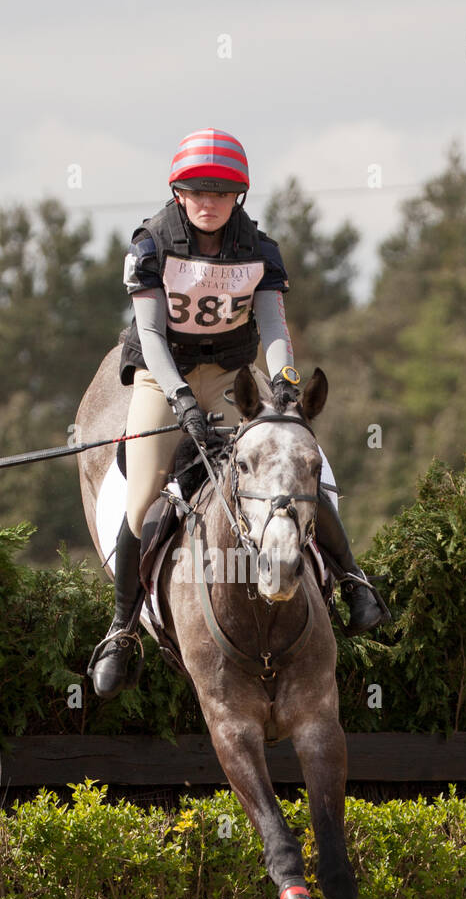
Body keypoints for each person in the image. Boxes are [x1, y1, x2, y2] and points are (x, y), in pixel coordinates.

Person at [89, 127, 390, 699]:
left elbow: (273, 326)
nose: (209, 203)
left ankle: (353, 580)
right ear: (179, 193)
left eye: (222, 194)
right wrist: (179, 399)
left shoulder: (260, 251)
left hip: (233, 375)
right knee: (146, 489)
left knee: (296, 463)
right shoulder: (150, 245)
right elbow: (150, 334)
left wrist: (285, 384)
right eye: (198, 192)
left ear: (239, 198)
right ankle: (121, 629)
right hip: (164, 372)